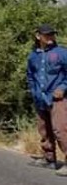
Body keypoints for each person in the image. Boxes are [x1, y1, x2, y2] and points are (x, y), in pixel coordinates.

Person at [26, 24, 67, 176]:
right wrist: (34, 91)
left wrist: (62, 88)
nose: (51, 37)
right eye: (47, 35)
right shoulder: (33, 56)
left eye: (52, 35)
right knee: (44, 130)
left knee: (61, 129)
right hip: (40, 98)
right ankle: (49, 159)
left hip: (58, 99)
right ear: (38, 36)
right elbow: (30, 75)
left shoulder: (61, 53)